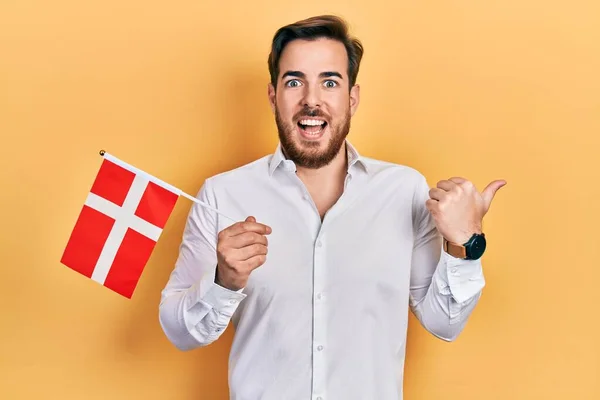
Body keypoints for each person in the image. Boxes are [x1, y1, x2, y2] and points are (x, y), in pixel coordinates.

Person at [158, 14, 506, 400]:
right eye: (294, 82)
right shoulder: (223, 194)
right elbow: (178, 332)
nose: (311, 100)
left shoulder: (404, 190)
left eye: (329, 82)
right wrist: (224, 281)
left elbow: (445, 323)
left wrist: (465, 244)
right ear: (273, 95)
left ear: (351, 98)